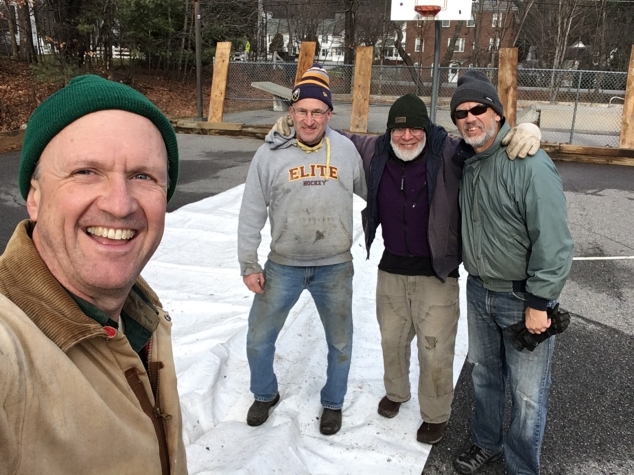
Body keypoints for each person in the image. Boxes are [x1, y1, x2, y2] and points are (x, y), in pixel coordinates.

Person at [271, 93, 541, 445]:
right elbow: (331, 135)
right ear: (388, 133)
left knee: (435, 349)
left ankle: (435, 413)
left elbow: (487, 140)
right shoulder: (375, 150)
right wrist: (293, 124)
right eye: (400, 131)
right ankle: (396, 393)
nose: (408, 137)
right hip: (392, 268)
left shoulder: (449, 152)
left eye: (416, 129)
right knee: (392, 340)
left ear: (427, 129)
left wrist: (526, 130)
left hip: (437, 272)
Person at [0, 75, 187, 475]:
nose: (120, 205)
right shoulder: (8, 347)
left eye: (143, 176)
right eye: (86, 171)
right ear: (34, 196)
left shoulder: (140, 316)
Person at [450, 71, 573, 475]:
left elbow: (553, 241)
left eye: (479, 109)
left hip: (523, 298)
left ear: (498, 115)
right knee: (485, 378)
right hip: (479, 289)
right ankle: (487, 443)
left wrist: (540, 303)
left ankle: (522, 466)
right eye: (461, 113)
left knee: (528, 394)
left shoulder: (529, 162)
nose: (470, 118)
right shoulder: (466, 160)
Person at [238, 64, 367, 436]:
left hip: (335, 267)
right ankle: (264, 394)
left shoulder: (345, 150)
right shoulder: (269, 154)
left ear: (329, 114)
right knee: (259, 338)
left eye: (317, 112)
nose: (309, 120)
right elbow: (251, 211)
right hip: (283, 266)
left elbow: (373, 193)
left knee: (340, 342)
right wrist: (248, 262)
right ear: (290, 113)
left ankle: (333, 402)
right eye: (302, 111)